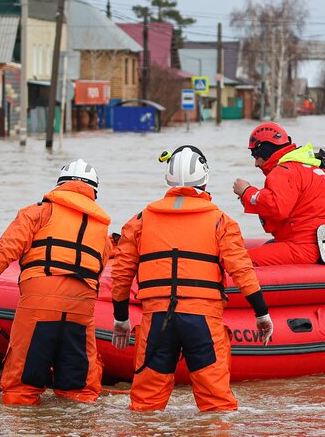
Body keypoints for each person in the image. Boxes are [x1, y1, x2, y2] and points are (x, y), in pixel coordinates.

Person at [110, 146, 273, 412]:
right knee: (216, 406)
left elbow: (122, 272)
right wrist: (261, 313)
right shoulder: (221, 221)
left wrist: (120, 319)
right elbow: (241, 269)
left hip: (157, 319)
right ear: (205, 179)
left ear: (168, 179)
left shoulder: (141, 220)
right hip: (202, 321)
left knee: (145, 406)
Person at [0, 160, 113, 406]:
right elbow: (99, 269)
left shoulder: (38, 213)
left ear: (59, 186)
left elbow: (4, 251)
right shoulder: (102, 231)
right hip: (80, 312)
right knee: (80, 392)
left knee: (21, 387)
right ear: (94, 192)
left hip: (38, 307)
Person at [232, 122, 325, 266]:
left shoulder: (284, 171)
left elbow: (276, 209)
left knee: (237, 263)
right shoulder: (313, 170)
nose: (255, 163)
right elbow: (277, 223)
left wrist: (247, 192)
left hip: (302, 248)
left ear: (265, 150)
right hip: (322, 248)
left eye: (256, 156)